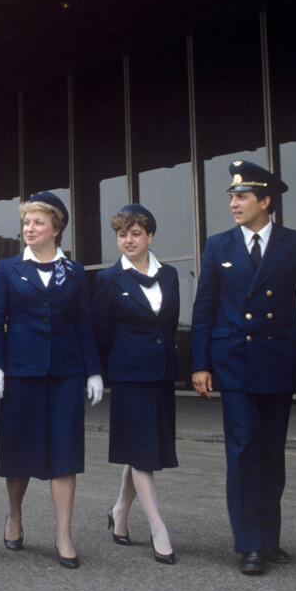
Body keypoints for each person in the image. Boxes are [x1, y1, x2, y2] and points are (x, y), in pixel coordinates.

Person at [191, 160, 296, 575]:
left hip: (278, 359)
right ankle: (250, 544)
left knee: (271, 453)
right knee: (242, 451)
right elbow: (203, 309)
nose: (233, 204)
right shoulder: (218, 246)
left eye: (242, 197)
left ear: (265, 201)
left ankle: (269, 538)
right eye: (232, 197)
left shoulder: (295, 243)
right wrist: (200, 364)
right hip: (233, 361)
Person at [0, 192, 104, 569]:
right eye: (26, 223)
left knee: (65, 454)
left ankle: (63, 533)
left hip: (66, 373)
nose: (28, 229)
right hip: (21, 373)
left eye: (37, 222)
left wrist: (95, 370)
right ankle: (15, 516)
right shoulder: (8, 269)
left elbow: (85, 325)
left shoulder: (75, 272)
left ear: (56, 227)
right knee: (19, 452)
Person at [90, 204, 180, 565]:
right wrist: (99, 373)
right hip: (129, 376)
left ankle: (120, 512)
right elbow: (100, 333)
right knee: (143, 452)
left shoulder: (170, 275)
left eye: (136, 233)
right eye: (122, 234)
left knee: (144, 448)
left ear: (150, 236)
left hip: (161, 374)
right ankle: (158, 526)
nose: (128, 240)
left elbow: (169, 326)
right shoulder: (108, 280)